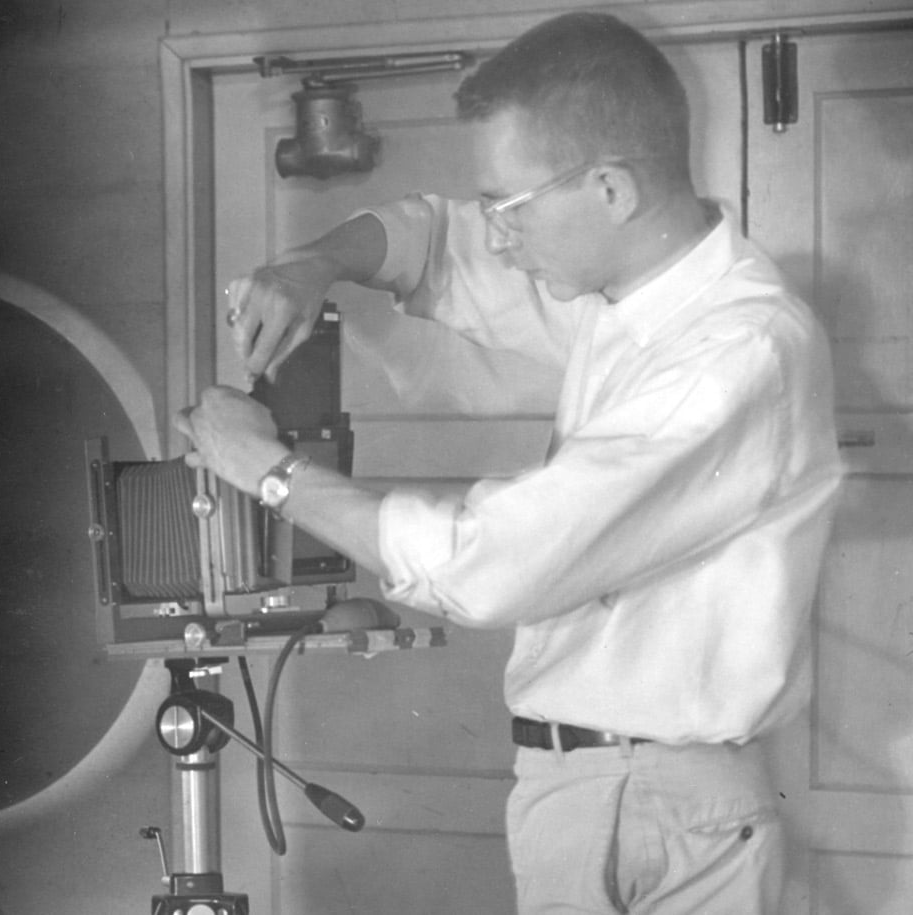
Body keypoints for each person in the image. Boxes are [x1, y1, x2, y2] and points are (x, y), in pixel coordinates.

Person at [173, 12, 844, 914]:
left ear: (610, 189)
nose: (494, 235)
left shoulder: (734, 352)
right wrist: (312, 263)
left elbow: (491, 564)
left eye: (508, 207)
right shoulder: (627, 296)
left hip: (659, 805)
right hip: (593, 788)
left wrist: (266, 469)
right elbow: (431, 239)